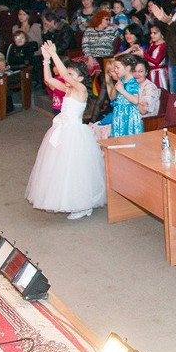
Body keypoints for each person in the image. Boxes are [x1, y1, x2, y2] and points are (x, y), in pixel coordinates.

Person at [25, 42, 106, 219]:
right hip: (62, 131)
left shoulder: (81, 89)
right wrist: (46, 61)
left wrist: (54, 53)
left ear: (79, 78)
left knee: (76, 169)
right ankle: (73, 201)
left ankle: (84, 206)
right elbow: (49, 80)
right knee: (62, 169)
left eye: (71, 74)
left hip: (75, 134)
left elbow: (61, 74)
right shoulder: (68, 89)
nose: (66, 77)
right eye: (67, 74)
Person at [99, 54, 143, 138]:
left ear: (127, 68)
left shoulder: (132, 83)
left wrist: (122, 90)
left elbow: (135, 100)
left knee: (128, 138)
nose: (115, 70)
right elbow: (112, 98)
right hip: (119, 114)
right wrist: (116, 87)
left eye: (117, 68)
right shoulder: (121, 80)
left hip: (128, 115)